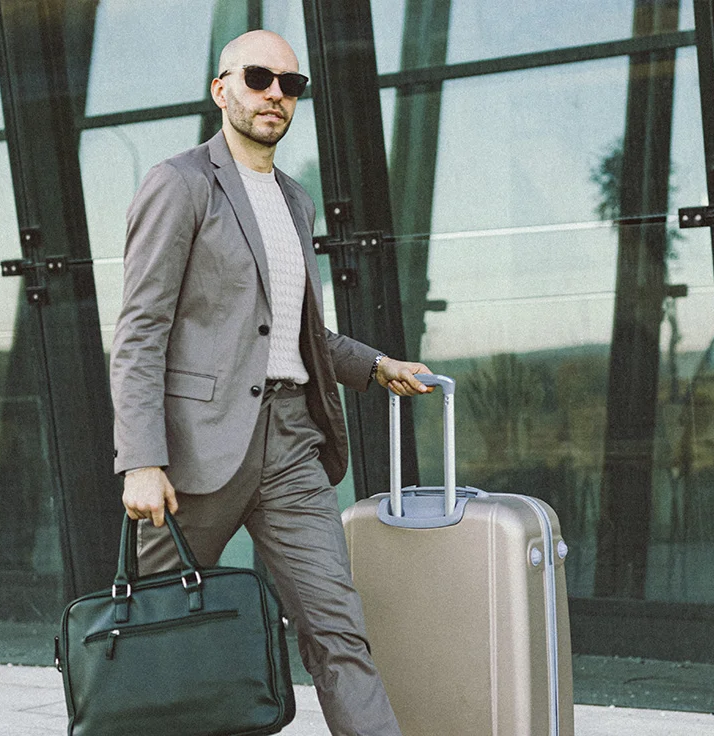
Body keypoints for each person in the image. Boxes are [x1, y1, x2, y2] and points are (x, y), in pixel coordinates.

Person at [109, 29, 432, 736]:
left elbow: (293, 333)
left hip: (290, 446)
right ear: (221, 89)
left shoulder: (294, 199)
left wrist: (375, 365)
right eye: (260, 79)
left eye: (292, 85)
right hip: (194, 451)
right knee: (157, 631)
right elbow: (140, 330)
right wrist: (140, 457)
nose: (276, 95)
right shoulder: (180, 181)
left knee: (337, 627)